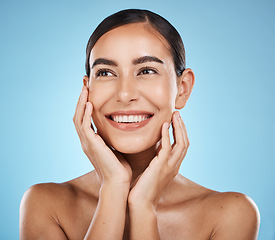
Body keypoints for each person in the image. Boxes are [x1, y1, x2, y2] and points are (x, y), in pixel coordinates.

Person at [19, 9, 260, 240]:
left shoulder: (230, 214)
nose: (124, 94)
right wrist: (113, 187)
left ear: (183, 88)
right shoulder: (44, 204)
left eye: (146, 70)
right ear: (87, 89)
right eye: (105, 73)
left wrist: (144, 207)